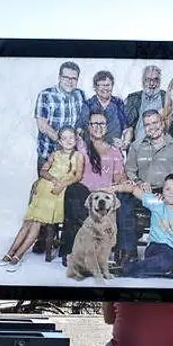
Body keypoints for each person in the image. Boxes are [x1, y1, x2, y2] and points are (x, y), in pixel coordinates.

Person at [109, 109, 173, 266]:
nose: (152, 127)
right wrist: (139, 182)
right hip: (142, 192)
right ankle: (128, 253)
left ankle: (163, 252)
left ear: (162, 123)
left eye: (155, 122)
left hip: (167, 194)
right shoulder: (136, 146)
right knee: (122, 199)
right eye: (147, 124)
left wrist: (166, 191)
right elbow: (130, 171)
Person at [1, 127, 85, 270]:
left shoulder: (78, 156)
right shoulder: (55, 154)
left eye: (71, 137)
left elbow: (77, 176)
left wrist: (61, 183)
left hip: (57, 192)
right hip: (44, 188)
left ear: (76, 140)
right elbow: (43, 170)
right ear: (59, 141)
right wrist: (52, 178)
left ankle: (18, 255)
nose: (68, 141)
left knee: (37, 223)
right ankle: (10, 253)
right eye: (64, 138)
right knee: (28, 222)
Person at [58, 109, 127, 265]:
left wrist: (121, 184)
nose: (98, 127)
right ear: (88, 127)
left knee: (110, 200)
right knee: (74, 191)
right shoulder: (80, 148)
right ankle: (72, 250)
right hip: (84, 196)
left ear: (107, 127)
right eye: (94, 123)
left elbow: (119, 178)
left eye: (102, 123)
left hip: (104, 196)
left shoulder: (114, 151)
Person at [121, 174, 173, 280]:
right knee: (165, 260)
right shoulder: (156, 202)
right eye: (168, 189)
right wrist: (113, 188)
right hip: (158, 247)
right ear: (162, 192)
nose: (172, 192)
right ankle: (130, 268)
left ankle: (161, 270)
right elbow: (133, 190)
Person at [34, 61, 87, 174]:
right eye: (66, 77)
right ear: (59, 77)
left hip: (72, 157)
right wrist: (63, 141)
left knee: (72, 185)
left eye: (74, 78)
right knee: (47, 185)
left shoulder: (80, 94)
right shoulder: (46, 95)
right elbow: (42, 125)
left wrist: (78, 135)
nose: (70, 81)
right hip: (49, 156)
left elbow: (82, 121)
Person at [84, 70, 133, 151]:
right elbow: (81, 130)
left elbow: (127, 128)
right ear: (94, 87)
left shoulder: (118, 103)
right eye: (101, 85)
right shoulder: (88, 105)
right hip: (92, 151)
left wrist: (125, 143)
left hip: (114, 150)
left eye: (108, 85)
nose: (105, 88)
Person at [123, 64, 165, 145]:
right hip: (138, 145)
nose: (151, 83)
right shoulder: (133, 98)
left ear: (160, 81)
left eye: (155, 80)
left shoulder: (167, 97)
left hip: (161, 146)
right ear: (143, 81)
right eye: (148, 80)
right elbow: (127, 125)